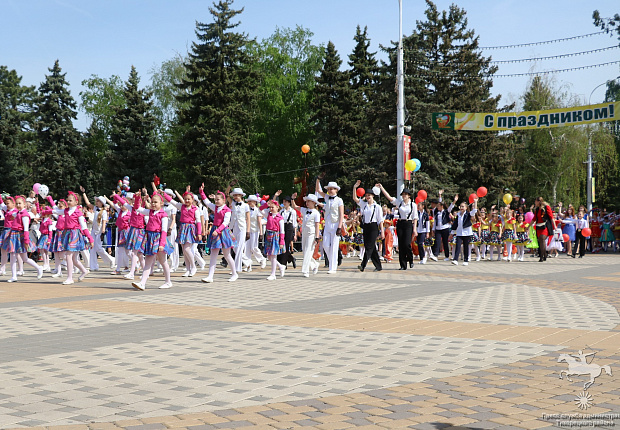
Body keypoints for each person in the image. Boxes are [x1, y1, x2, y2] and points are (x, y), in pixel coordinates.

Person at [130, 191, 173, 290]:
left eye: (155, 202)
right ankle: (142, 283)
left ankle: (168, 281)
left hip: (158, 239)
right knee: (149, 261)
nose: (153, 204)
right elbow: (138, 208)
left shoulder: (164, 215)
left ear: (161, 204)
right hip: (150, 238)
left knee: (163, 261)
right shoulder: (149, 212)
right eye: (152, 202)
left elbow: (164, 231)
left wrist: (162, 244)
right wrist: (137, 198)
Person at [47, 192, 92, 284]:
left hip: (74, 234)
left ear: (76, 202)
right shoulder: (66, 211)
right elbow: (56, 210)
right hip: (67, 234)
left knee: (68, 255)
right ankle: (84, 271)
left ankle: (70, 278)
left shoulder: (78, 213)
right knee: (74, 259)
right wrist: (46, 210)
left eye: (70, 200)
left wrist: (90, 238)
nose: (68, 202)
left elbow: (84, 227)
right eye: (67, 200)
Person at [199, 187, 237, 283]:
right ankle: (210, 276)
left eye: (218, 199)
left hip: (223, 232)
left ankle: (234, 273)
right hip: (215, 231)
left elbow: (225, 222)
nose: (216, 201)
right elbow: (207, 202)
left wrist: (218, 230)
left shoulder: (227, 210)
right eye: (215, 199)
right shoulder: (215, 208)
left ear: (224, 200)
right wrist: (201, 192)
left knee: (227, 254)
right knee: (213, 254)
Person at [377, 184, 418, 270]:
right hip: (400, 223)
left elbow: (415, 217)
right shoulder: (400, 203)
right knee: (401, 245)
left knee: (407, 244)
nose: (404, 196)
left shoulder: (413, 205)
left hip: (408, 224)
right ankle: (403, 265)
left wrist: (414, 229)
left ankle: (410, 259)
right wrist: (381, 188)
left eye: (405, 195)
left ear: (409, 196)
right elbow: (390, 198)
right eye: (403, 194)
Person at [169, 187, 202, 277]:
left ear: (192, 200)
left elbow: (198, 222)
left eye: (189, 199)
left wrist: (199, 233)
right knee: (184, 250)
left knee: (187, 249)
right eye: (185, 199)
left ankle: (193, 266)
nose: (187, 200)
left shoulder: (196, 209)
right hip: (183, 228)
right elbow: (172, 201)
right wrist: (162, 193)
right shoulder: (181, 206)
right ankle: (188, 269)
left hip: (190, 229)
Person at [352, 181, 385, 272]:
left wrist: (382, 231)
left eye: (369, 195)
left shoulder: (377, 207)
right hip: (366, 227)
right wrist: (355, 187)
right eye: (366, 195)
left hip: (373, 227)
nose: (368, 197)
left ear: (373, 196)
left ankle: (363, 265)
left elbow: (380, 220)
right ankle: (378, 266)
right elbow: (355, 198)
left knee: (369, 246)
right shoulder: (364, 205)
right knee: (370, 247)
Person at [81, 189, 115, 271]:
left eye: (98, 201)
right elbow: (88, 203)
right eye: (96, 201)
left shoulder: (103, 212)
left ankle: (111, 259)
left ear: (102, 203)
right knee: (92, 248)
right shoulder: (96, 208)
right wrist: (83, 193)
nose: (96, 202)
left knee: (99, 248)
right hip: (93, 231)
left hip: (99, 232)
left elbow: (104, 221)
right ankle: (93, 266)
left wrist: (103, 230)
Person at [315, 179, 344, 274]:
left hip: (335, 224)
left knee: (334, 246)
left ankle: (333, 268)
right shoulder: (327, 197)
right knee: (326, 245)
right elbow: (318, 190)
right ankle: (333, 261)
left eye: (332, 189)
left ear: (336, 190)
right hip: (327, 223)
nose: (330, 190)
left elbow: (341, 214)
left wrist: (340, 227)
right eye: (329, 189)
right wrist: (317, 180)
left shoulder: (339, 200)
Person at [262, 199, 286, 280]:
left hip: (276, 236)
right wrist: (266, 205)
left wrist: (281, 242)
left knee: (273, 255)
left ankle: (273, 274)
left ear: (277, 207)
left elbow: (282, 231)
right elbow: (260, 209)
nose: (271, 209)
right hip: (268, 235)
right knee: (269, 256)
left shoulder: (280, 218)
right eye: (270, 207)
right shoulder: (268, 214)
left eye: (273, 207)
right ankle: (280, 266)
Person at [229, 188, 251, 274]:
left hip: (242, 228)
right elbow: (227, 195)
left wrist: (248, 231)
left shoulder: (246, 205)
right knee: (234, 247)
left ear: (241, 196)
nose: (235, 197)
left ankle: (237, 268)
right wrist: (229, 186)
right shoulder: (233, 204)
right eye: (234, 195)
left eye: (237, 195)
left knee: (239, 248)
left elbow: (248, 219)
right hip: (233, 227)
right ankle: (248, 262)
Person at [451, 196, 478, 266]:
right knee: (458, 246)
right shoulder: (458, 215)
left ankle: (466, 260)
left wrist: (475, 202)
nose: (461, 207)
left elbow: (474, 211)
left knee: (466, 246)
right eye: (461, 206)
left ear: (466, 208)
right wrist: (452, 232)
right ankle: (455, 259)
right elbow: (455, 224)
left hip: (466, 233)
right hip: (459, 233)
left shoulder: (468, 214)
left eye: (463, 206)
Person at [243, 194, 266, 271]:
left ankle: (262, 259)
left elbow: (259, 222)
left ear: (255, 202)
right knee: (247, 248)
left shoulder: (257, 210)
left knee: (254, 247)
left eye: (251, 201)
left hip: (255, 230)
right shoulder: (246, 209)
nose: (249, 203)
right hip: (247, 230)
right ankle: (248, 265)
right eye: (248, 201)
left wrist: (261, 233)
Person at [300, 194, 321, 277]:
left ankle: (305, 270)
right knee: (304, 251)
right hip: (304, 232)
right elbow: (295, 207)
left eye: (309, 201)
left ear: (313, 202)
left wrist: (317, 237)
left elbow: (317, 225)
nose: (307, 203)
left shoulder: (316, 213)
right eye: (306, 201)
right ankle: (315, 264)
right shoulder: (305, 210)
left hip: (311, 234)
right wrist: (292, 199)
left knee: (309, 251)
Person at [433, 190, 456, 261]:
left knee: (445, 242)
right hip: (438, 229)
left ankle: (446, 256)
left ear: (442, 206)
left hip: (445, 228)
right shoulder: (436, 212)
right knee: (437, 241)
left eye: (439, 206)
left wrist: (454, 201)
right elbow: (435, 221)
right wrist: (433, 229)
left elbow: (451, 206)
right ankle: (435, 255)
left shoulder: (446, 211)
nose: (437, 207)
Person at [533, 197, 556, 262]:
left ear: (539, 201)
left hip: (545, 226)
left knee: (542, 238)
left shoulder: (546, 207)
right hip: (538, 226)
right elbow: (534, 218)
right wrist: (528, 226)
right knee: (540, 241)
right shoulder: (537, 209)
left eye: (535, 201)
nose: (535, 202)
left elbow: (551, 217)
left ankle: (541, 256)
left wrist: (554, 226)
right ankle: (545, 254)